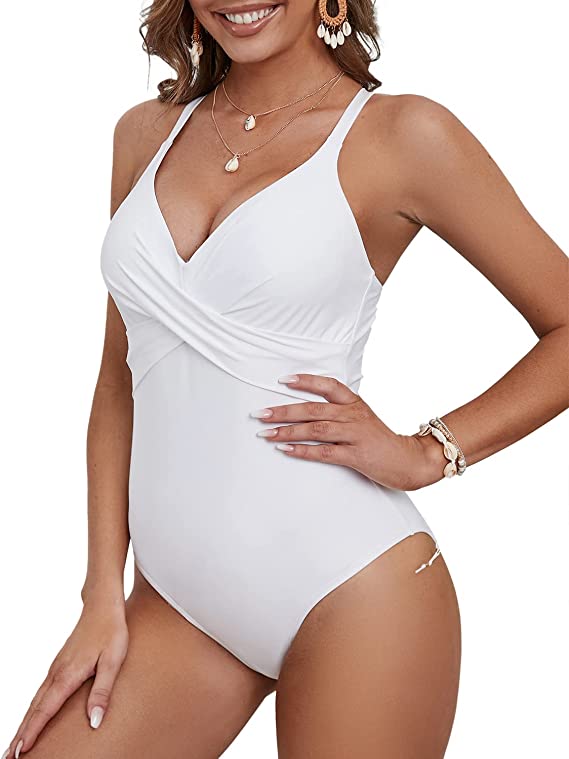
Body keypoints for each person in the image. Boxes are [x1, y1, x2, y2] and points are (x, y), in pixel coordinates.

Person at [3, 0, 567, 757]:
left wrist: (429, 451)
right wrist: (101, 590)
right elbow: (118, 379)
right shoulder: (143, 133)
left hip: (353, 593)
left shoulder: (402, 135)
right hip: (178, 607)